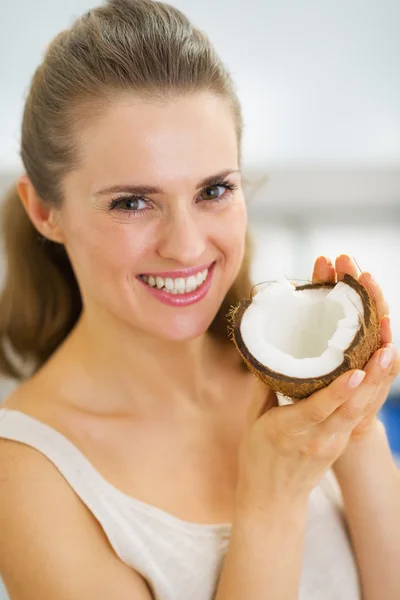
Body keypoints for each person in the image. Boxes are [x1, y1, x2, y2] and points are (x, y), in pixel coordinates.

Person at [0, 1, 399, 598]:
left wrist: (357, 428)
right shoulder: (26, 475)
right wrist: (272, 497)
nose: (186, 248)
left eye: (214, 190)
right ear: (44, 211)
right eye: (132, 202)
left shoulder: (297, 384)